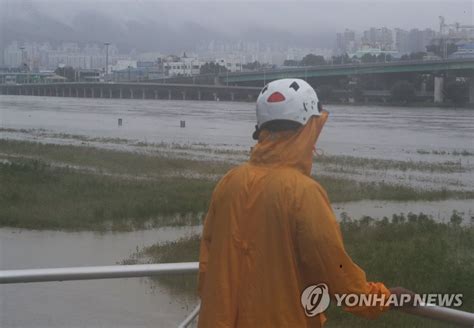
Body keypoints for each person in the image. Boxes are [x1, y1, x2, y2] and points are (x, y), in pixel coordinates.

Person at [197, 79, 410, 327]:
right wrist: (384, 298)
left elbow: (207, 266)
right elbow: (337, 275)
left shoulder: (229, 182)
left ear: (262, 128)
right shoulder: (303, 192)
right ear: (308, 127)